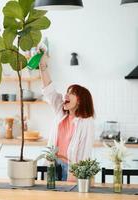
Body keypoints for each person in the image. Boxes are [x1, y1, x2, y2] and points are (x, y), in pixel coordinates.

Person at [38, 51, 95, 181]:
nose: (66, 95)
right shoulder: (61, 112)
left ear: (80, 100)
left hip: (71, 169)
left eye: (71, 93)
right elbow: (49, 90)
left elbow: (84, 152)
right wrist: (42, 65)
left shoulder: (86, 122)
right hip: (53, 165)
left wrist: (76, 176)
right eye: (67, 92)